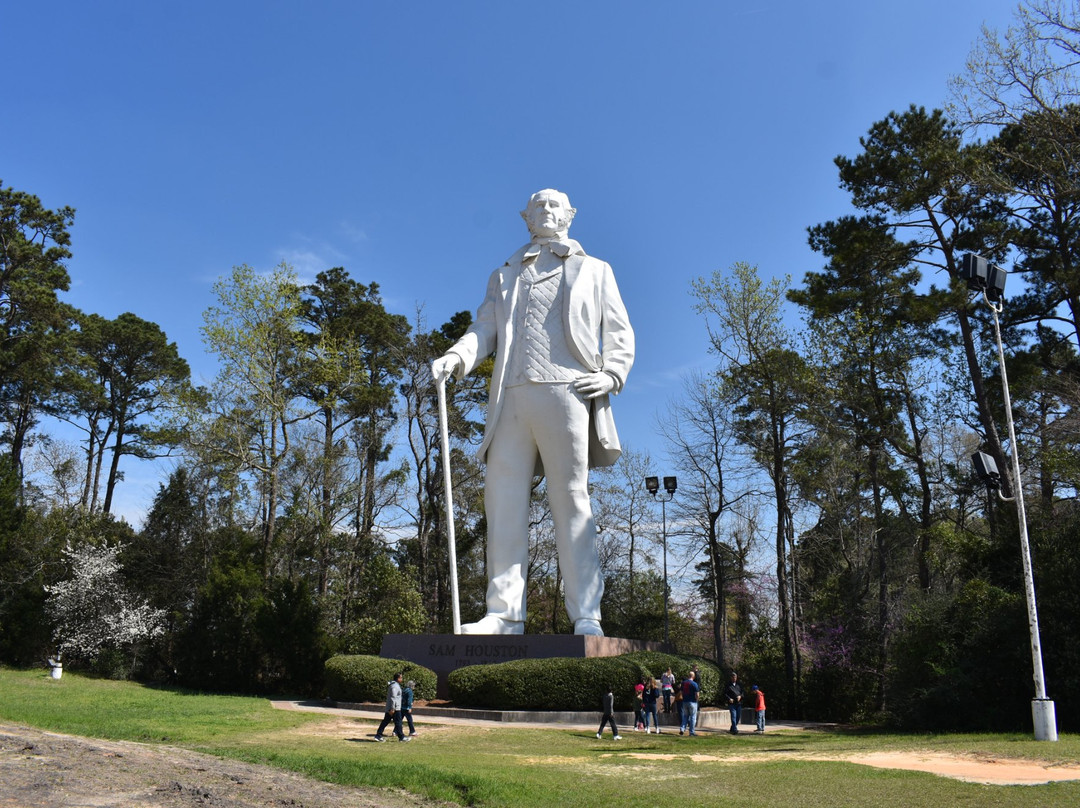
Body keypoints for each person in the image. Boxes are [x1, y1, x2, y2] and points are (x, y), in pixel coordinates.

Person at [431, 189, 635, 636]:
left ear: (570, 214)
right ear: (526, 218)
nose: (545, 211)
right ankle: (503, 614)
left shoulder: (595, 270)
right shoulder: (504, 275)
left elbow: (619, 331)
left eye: (553, 205)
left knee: (571, 500)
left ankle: (586, 615)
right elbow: (484, 327)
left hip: (568, 390)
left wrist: (612, 374)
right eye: (537, 206)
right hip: (512, 396)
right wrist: (457, 356)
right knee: (502, 500)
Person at [374, 673, 410, 742]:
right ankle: (401, 737)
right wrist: (393, 708)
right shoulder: (395, 686)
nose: (402, 679)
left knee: (386, 721)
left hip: (392, 708)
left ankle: (378, 735)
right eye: (401, 678)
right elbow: (393, 697)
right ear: (398, 678)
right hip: (394, 708)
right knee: (398, 722)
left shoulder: (394, 685)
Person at [722, 671, 743, 735]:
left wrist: (740, 696)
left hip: (738, 703)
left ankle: (732, 727)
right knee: (733, 716)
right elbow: (725, 693)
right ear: (731, 678)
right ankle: (735, 730)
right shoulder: (728, 685)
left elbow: (743, 692)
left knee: (738, 717)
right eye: (733, 677)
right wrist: (729, 699)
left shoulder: (739, 685)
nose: (734, 678)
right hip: (732, 703)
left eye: (735, 677)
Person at [679, 671, 699, 736]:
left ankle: (682, 729)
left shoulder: (683, 683)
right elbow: (697, 694)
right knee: (693, 717)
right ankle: (691, 732)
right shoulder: (694, 684)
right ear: (693, 676)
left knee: (685, 716)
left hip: (685, 701)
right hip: (692, 702)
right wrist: (696, 699)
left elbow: (681, 692)